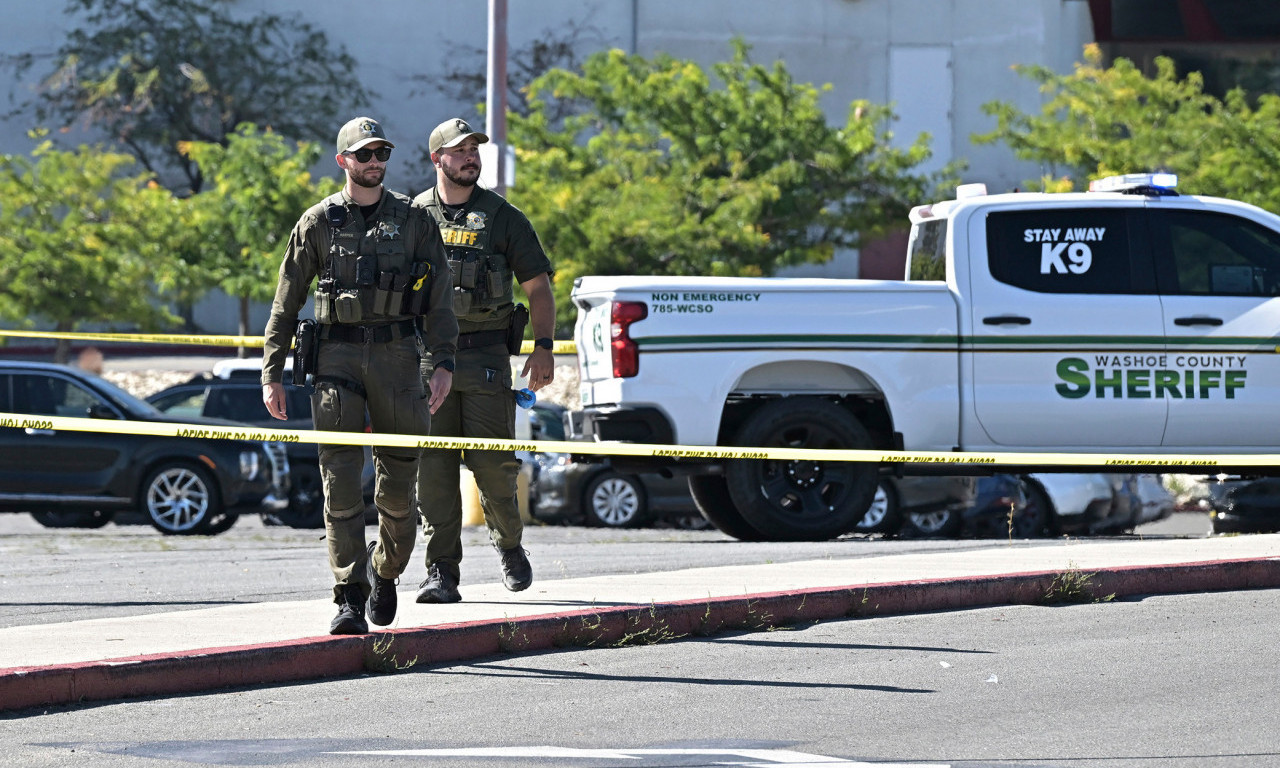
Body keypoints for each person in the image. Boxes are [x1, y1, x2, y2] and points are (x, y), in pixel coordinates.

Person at [261, 116, 458, 635]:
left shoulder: (414, 222)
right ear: (343, 161)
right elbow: (286, 302)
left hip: (397, 357)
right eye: (365, 155)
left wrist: (442, 363)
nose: (375, 163)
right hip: (335, 361)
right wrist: (271, 372)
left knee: (398, 490)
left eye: (382, 154)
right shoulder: (317, 223)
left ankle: (385, 569)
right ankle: (348, 593)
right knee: (340, 484)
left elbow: (439, 302)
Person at [413, 118, 556, 604]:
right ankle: (440, 572)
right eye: (460, 150)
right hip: (429, 366)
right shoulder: (413, 216)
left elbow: (538, 287)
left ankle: (510, 546)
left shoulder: (504, 217)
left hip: (487, 360)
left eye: (475, 148)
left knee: (494, 469)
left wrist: (544, 345)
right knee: (432, 473)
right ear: (437, 159)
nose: (471, 156)